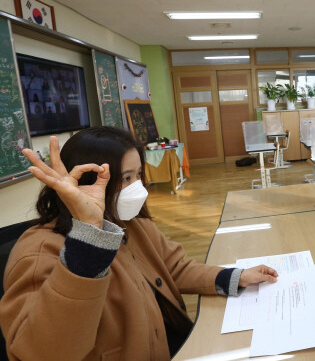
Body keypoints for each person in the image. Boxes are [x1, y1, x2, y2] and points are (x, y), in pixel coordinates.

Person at [0, 127, 278, 360]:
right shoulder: (38, 252)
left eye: (138, 175)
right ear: (86, 181)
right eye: (126, 179)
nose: (138, 187)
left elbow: (175, 268)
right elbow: (42, 351)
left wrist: (233, 276)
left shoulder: (132, 224)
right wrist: (88, 240)